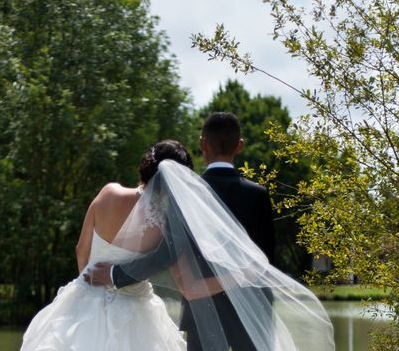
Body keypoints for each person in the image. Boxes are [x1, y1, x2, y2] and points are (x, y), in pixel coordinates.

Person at [86, 112, 335, 350]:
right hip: (251, 312)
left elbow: (167, 253)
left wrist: (117, 275)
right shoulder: (258, 195)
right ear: (240, 146)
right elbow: (264, 260)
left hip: (202, 311)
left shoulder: (187, 194)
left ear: (203, 144)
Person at [19, 140, 194, 351]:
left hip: (87, 292)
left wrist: (89, 290)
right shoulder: (164, 223)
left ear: (147, 164)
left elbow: (81, 249)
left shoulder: (110, 192)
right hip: (137, 310)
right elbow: (159, 265)